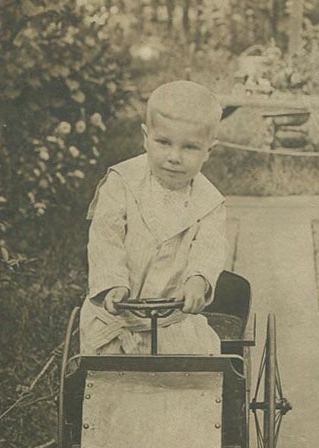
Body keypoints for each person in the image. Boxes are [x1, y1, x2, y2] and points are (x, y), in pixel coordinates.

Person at [79, 80, 227, 355]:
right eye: (163, 142)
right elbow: (105, 237)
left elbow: (210, 248)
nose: (174, 157)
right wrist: (113, 283)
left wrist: (198, 279)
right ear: (146, 137)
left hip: (173, 320)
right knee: (105, 382)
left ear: (209, 151)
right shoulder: (121, 183)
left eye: (190, 147)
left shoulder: (209, 202)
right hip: (118, 316)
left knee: (194, 377)